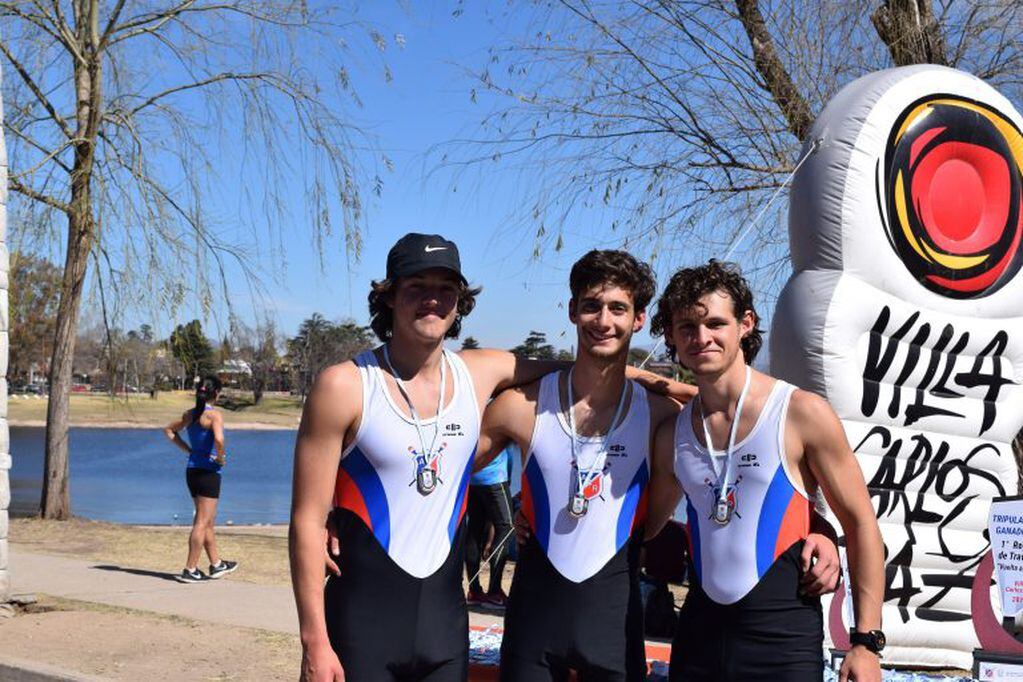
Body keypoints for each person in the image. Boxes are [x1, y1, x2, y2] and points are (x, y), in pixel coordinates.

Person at [290, 234, 678, 682]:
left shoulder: (479, 372)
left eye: (447, 289)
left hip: (444, 634)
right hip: (360, 627)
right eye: (417, 287)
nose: (433, 300)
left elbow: (585, 367)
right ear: (390, 294)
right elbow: (305, 518)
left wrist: (670, 386)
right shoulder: (344, 385)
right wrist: (315, 640)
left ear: (460, 301)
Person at [477, 250, 839, 682]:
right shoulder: (520, 407)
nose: (603, 320)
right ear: (573, 310)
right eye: (591, 305)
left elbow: (745, 469)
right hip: (533, 630)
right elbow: (444, 477)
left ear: (640, 319)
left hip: (613, 629)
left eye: (618, 308)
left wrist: (822, 531)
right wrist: (523, 508)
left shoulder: (662, 416)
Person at [645, 260, 885, 682]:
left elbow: (862, 523)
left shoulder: (800, 413)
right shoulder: (673, 435)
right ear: (671, 336)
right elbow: (643, 529)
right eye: (686, 327)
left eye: (716, 323)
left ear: (746, 324)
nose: (702, 338)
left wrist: (865, 642)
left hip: (782, 642)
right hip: (699, 638)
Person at [163, 375, 239, 583]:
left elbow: (169, 431)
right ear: (216, 393)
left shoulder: (190, 414)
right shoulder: (213, 415)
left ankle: (216, 565)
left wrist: (189, 450)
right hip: (208, 472)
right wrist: (220, 457)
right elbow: (219, 439)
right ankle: (190, 568)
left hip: (192, 471)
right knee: (202, 521)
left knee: (208, 521)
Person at [465, 443, 515, 608]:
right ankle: (494, 592)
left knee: (474, 529)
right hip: (495, 475)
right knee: (506, 528)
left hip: (473, 477)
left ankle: (474, 591)